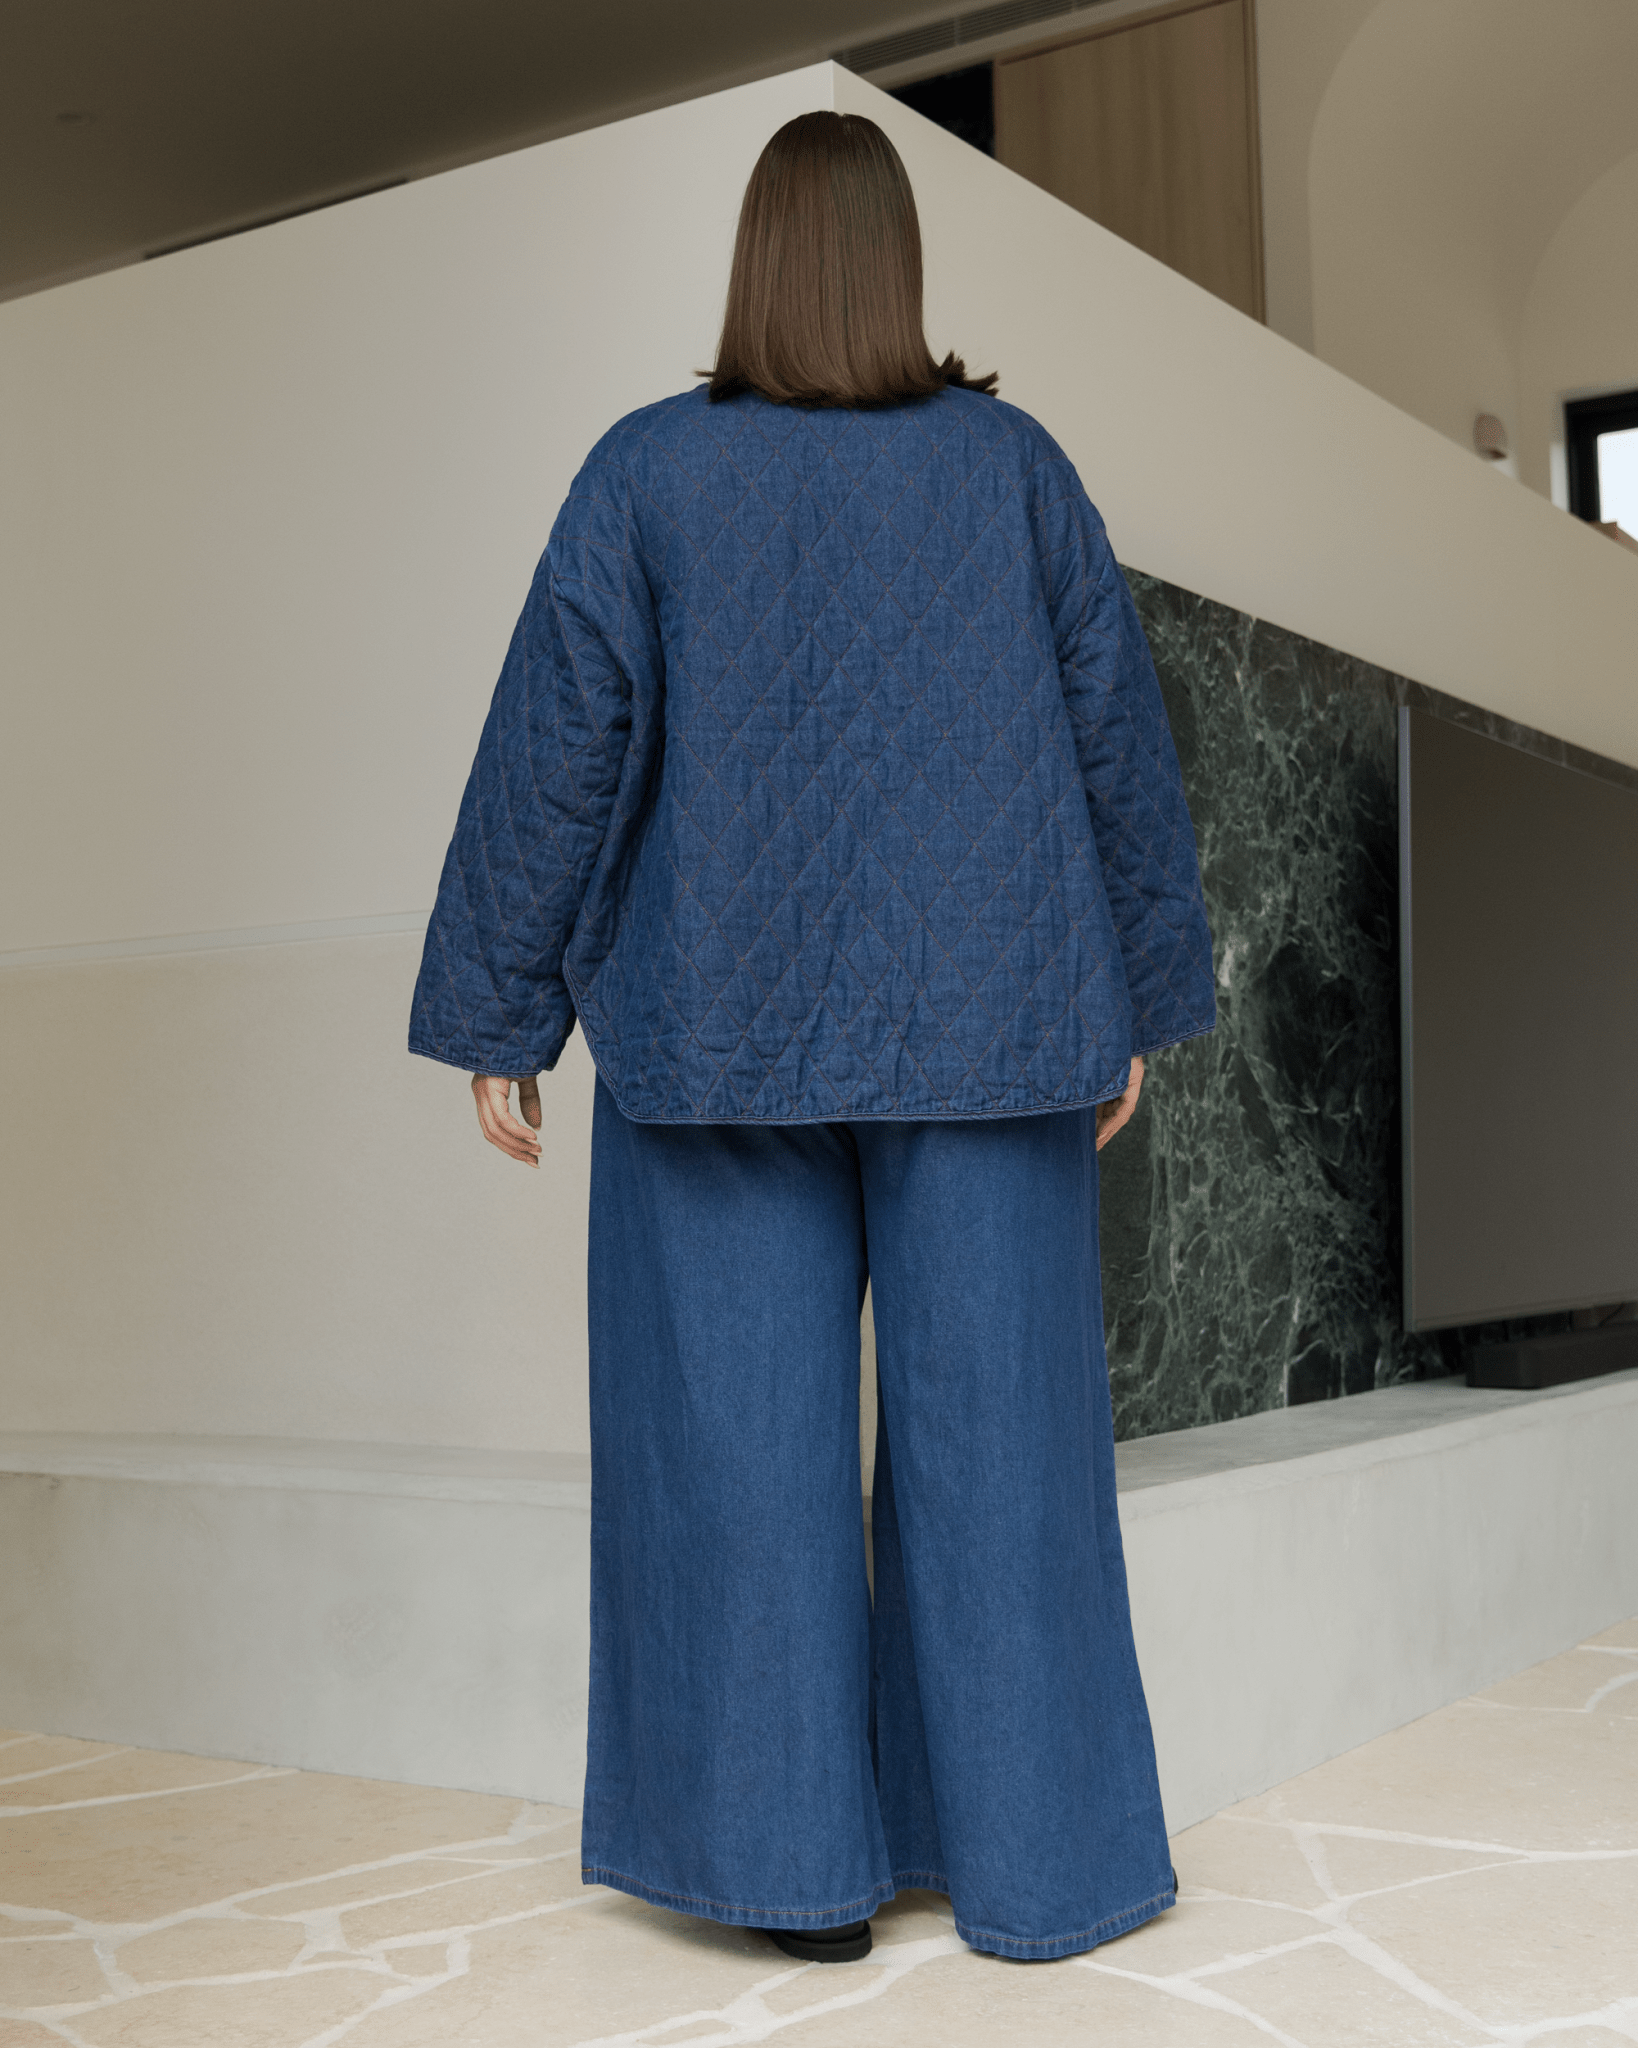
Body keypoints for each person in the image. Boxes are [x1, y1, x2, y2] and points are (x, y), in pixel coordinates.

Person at [407, 109, 1215, 1966]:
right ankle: (1034, 1877)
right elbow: (1116, 742)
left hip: (715, 1036)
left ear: (755, 263)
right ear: (899, 265)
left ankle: (791, 1888)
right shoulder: (1013, 468)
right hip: (994, 1021)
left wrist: (504, 1012)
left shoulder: (645, 471)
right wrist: (1131, 1001)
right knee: (1005, 1460)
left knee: (733, 1460)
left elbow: (555, 750)